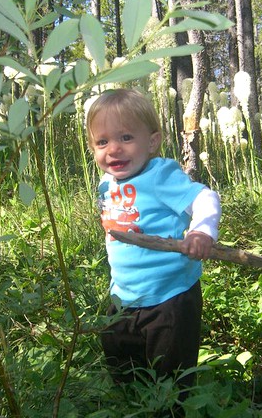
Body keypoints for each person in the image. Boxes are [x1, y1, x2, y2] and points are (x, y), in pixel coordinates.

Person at [85, 88, 222, 391]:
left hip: (169, 298)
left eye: (126, 138)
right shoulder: (105, 183)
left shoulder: (160, 175)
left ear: (152, 141)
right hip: (123, 298)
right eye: (102, 141)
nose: (113, 150)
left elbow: (205, 198)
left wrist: (201, 231)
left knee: (171, 383)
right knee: (123, 372)